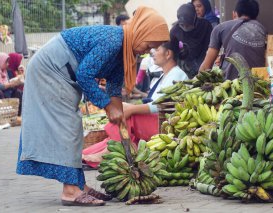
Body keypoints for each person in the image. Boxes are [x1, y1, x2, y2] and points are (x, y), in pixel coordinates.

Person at [16, 7, 170, 207]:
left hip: (64, 72)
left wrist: (119, 115)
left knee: (72, 126)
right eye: (149, 44)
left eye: (153, 47)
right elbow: (85, 75)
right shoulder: (114, 40)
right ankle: (71, 191)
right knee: (69, 125)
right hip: (51, 69)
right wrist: (107, 106)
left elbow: (114, 88)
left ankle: (80, 185)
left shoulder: (124, 51)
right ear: (140, 31)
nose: (147, 50)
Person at [82, 39, 189, 167]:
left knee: (126, 116)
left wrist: (132, 109)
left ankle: (117, 152)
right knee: (105, 143)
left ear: (168, 54)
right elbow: (152, 99)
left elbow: (160, 106)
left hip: (164, 125)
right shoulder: (164, 75)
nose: (153, 52)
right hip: (155, 120)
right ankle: (90, 154)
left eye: (158, 49)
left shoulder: (177, 75)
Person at [199, 0, 266, 80]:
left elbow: (206, 67)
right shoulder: (262, 29)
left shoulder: (220, 28)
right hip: (258, 83)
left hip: (232, 84)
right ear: (255, 16)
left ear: (234, 14)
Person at [170, 3, 212, 78]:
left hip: (205, 60)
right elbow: (172, 52)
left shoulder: (206, 25)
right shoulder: (175, 31)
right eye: (182, 25)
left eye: (188, 25)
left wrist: (204, 64)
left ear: (195, 19)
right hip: (187, 65)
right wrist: (181, 51)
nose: (185, 27)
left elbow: (211, 47)